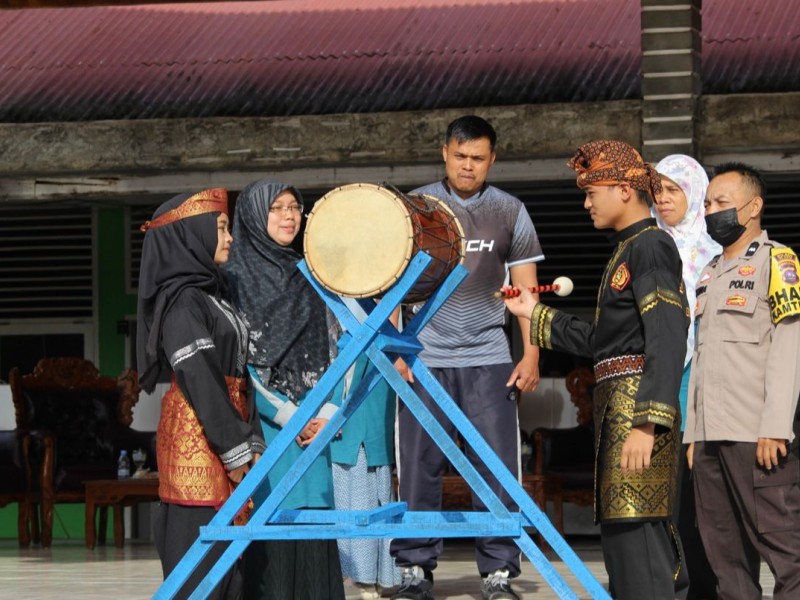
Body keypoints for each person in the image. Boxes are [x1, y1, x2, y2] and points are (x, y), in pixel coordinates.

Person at [504, 140, 689, 600]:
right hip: (619, 423)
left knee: (643, 554)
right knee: (626, 555)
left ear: (625, 189)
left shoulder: (651, 247)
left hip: (638, 424)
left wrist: (648, 422)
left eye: (593, 191)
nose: (586, 202)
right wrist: (535, 313)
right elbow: (604, 345)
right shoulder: (628, 250)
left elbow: (667, 336)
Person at [390, 115, 544, 600]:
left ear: (492, 159)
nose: (468, 166)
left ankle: (498, 572)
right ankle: (415, 570)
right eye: (461, 157)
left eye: (478, 158)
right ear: (445, 153)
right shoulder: (417, 207)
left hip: (490, 356)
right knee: (418, 465)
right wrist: (398, 349)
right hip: (424, 356)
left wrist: (532, 352)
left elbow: (525, 289)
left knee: (496, 466)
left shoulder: (510, 210)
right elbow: (393, 283)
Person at [136, 188, 265, 600]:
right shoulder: (182, 303)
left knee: (234, 561)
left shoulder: (215, 291)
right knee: (202, 561)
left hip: (226, 427)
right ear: (193, 235)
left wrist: (251, 436)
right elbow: (201, 378)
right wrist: (237, 447)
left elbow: (238, 373)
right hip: (199, 436)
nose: (228, 239)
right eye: (221, 229)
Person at [224, 179, 346, 600]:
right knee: (270, 522)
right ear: (255, 216)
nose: (289, 216)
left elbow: (342, 347)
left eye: (294, 206)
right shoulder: (233, 281)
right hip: (268, 428)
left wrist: (327, 413)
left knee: (314, 524)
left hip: (316, 427)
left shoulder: (312, 274)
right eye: (276, 208)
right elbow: (242, 360)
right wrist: (290, 416)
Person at [684, 163, 800, 600]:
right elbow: (703, 357)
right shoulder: (709, 274)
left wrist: (775, 426)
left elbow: (790, 347)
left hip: (756, 433)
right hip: (710, 437)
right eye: (708, 204)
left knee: (785, 548)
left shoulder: (779, 262)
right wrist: (694, 433)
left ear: (753, 207)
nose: (712, 211)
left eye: (722, 203)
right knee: (724, 555)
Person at [652, 154, 720, 599]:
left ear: (694, 193)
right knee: (660, 489)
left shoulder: (715, 252)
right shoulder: (644, 245)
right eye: (657, 189)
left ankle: (703, 582)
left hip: (700, 378)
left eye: (673, 190)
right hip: (653, 376)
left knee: (698, 489)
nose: (662, 198)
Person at [330, 300, 401, 599]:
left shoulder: (353, 342)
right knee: (374, 492)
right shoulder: (383, 343)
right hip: (363, 431)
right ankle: (378, 576)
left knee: (362, 494)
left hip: (359, 428)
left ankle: (363, 576)